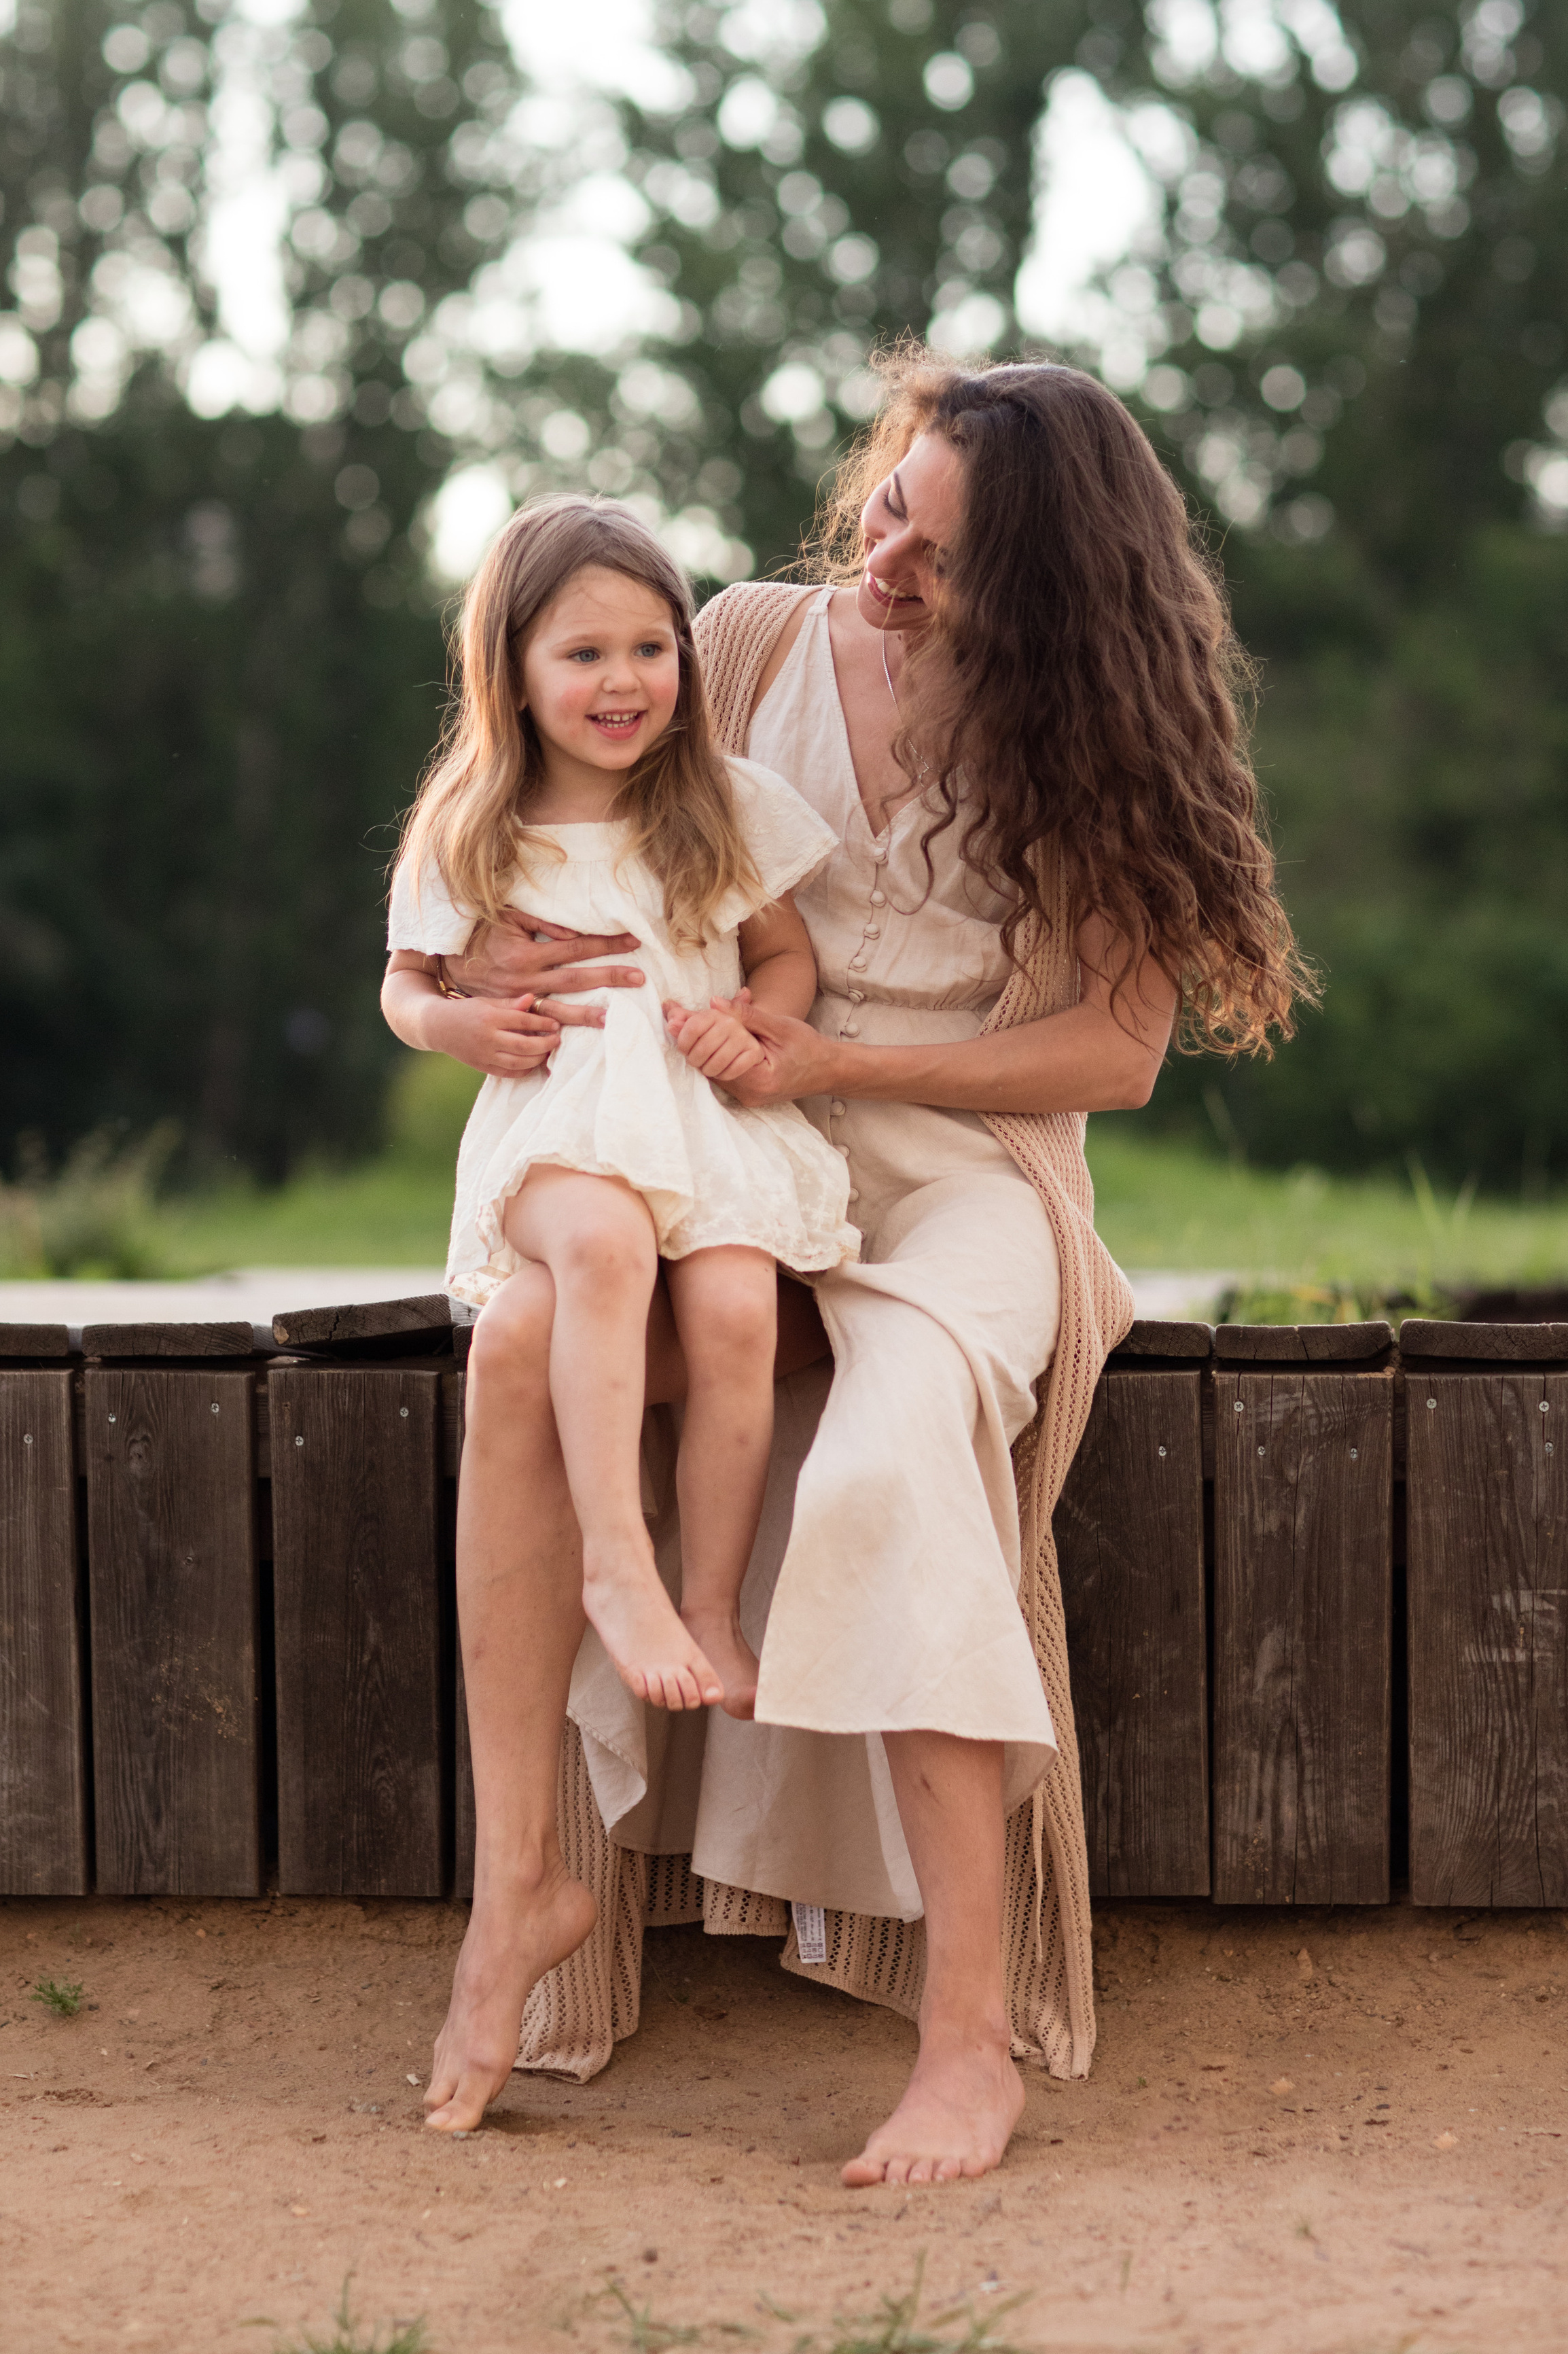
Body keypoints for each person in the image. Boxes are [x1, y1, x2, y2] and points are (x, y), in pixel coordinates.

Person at [418, 351, 1311, 2178]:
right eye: (889, 509)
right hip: (734, 1140)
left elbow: (1113, 1059)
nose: (884, 564)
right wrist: (483, 979)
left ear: (1049, 595)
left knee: (896, 1450)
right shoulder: (739, 644)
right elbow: (552, 825)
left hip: (971, 1172)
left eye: (940, 555)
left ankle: (965, 2043)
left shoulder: (1099, 733)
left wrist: (841, 1061)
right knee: (525, 1342)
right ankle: (519, 1892)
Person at [381, 497, 859, 1723]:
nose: (623, 681)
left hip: (702, 1115)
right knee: (601, 1246)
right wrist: (458, 1026)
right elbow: (404, 984)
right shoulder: (474, 820)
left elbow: (786, 958)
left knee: (736, 1309)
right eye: (583, 653)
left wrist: (750, 1022)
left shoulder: (718, 800)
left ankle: (710, 1606)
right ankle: (613, 1560)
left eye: (651, 648)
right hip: (558, 1119)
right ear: (515, 670)